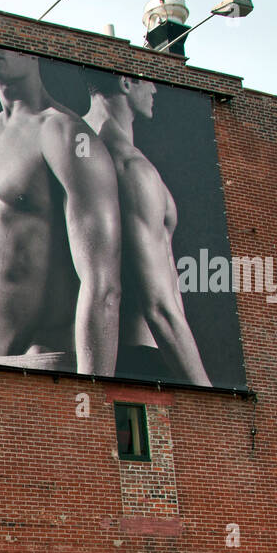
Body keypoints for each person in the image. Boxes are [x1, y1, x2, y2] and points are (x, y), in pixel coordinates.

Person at [0, 44, 121, 376]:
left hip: (36, 357)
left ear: (33, 48)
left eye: (0, 36)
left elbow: (103, 286)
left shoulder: (65, 135)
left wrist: (92, 392)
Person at [83, 72, 211, 386]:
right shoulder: (129, 167)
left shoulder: (71, 143)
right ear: (126, 83)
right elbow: (159, 306)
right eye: (146, 81)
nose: (154, 88)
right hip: (145, 355)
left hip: (104, 358)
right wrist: (210, 396)